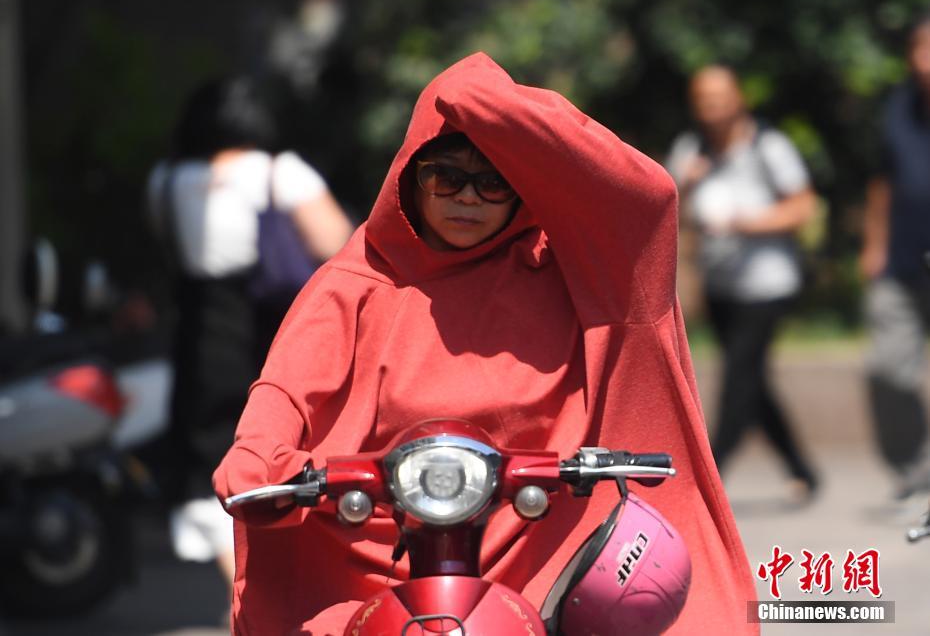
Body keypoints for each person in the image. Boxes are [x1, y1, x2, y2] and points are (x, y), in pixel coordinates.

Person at [214, 53, 757, 635]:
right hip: (371, 574)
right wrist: (257, 452)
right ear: (410, 176)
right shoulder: (357, 282)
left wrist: (479, 93)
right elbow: (285, 389)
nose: (468, 198)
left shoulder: (584, 282)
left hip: (548, 574)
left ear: (523, 187)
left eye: (494, 181)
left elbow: (646, 199)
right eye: (445, 176)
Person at [146, 76, 353, 594]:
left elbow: (168, 255)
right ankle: (272, 589)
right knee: (284, 451)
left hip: (197, 337)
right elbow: (338, 244)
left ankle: (240, 589)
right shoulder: (279, 172)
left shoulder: (165, 181)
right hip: (274, 334)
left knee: (206, 463)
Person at [666, 65, 819, 498]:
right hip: (721, 286)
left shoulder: (769, 146)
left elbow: (803, 207)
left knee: (738, 377)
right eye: (704, 98)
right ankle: (801, 468)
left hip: (767, 284)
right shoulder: (689, 151)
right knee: (753, 380)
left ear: (739, 99)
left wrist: (745, 223)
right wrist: (687, 186)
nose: (712, 106)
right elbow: (666, 210)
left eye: (720, 96)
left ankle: (707, 477)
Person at [860, 15, 930, 499]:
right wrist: (874, 244)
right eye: (921, 48)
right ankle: (912, 469)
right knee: (887, 368)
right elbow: (881, 183)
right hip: (902, 263)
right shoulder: (897, 109)